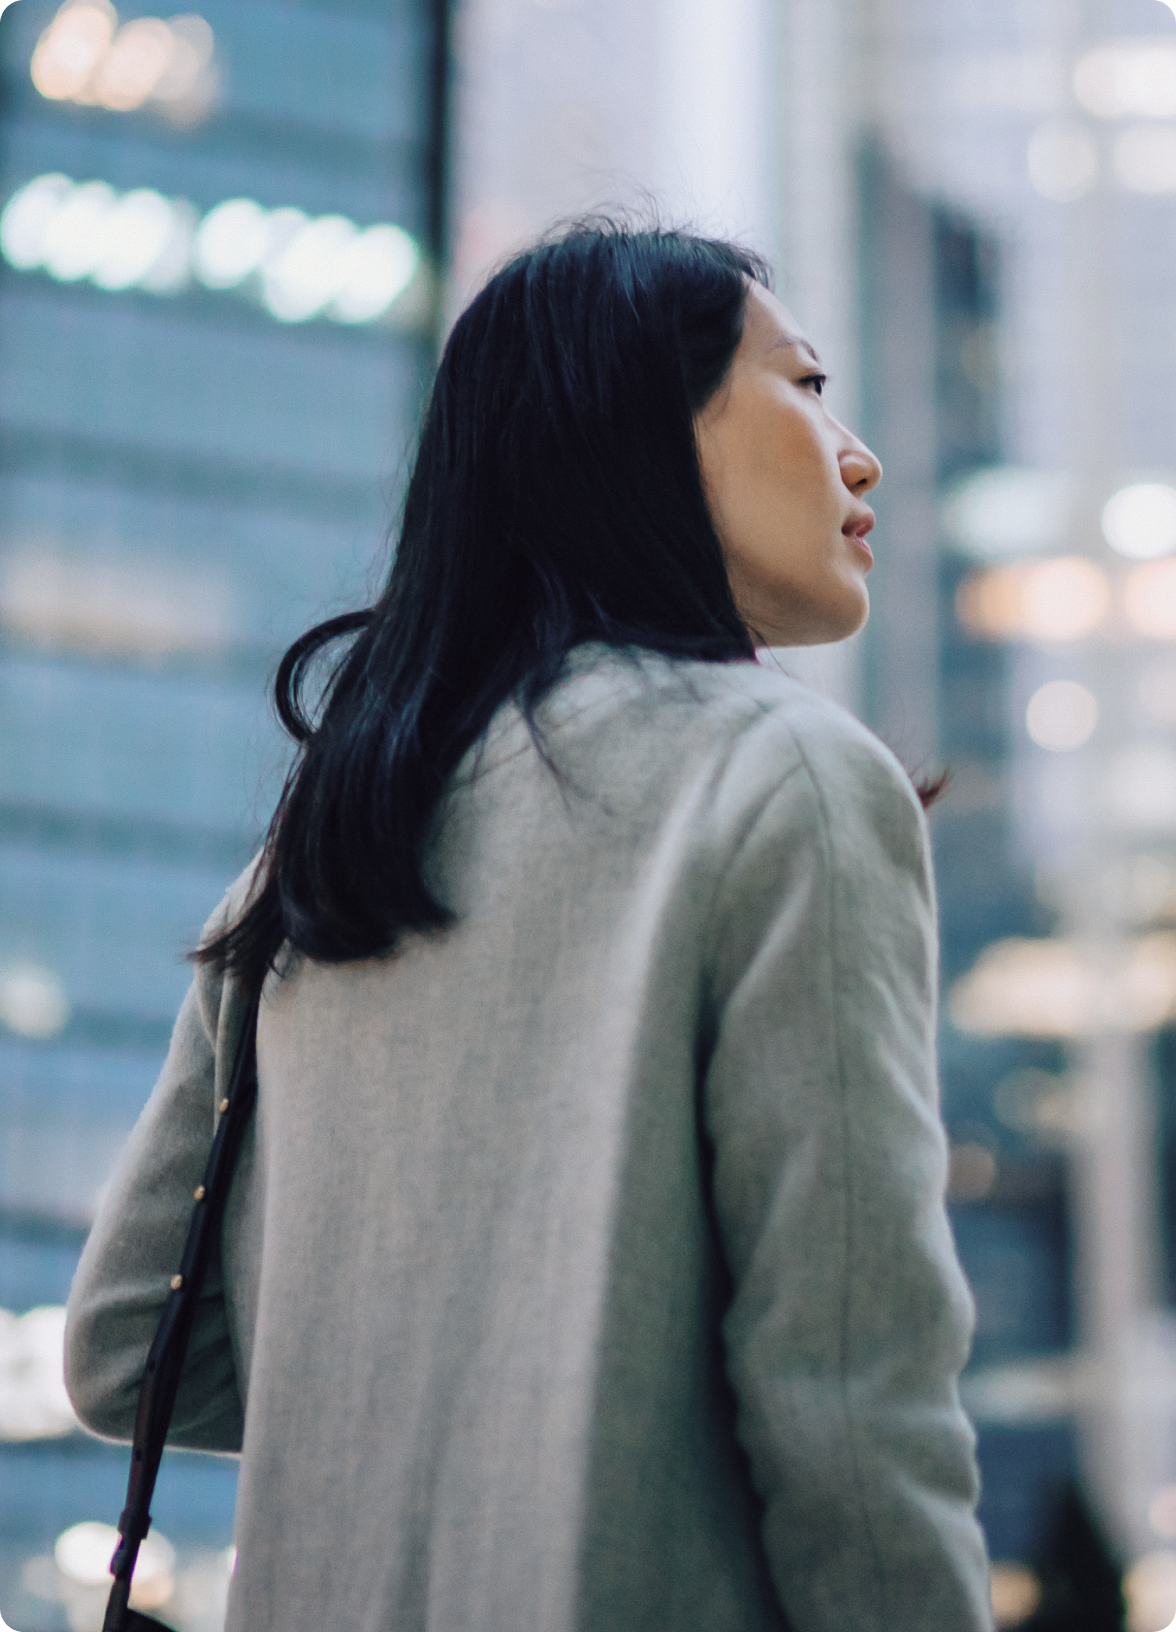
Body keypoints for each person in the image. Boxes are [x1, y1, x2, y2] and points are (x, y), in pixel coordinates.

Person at [64, 224, 995, 1632]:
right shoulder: (781, 774)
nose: (856, 455)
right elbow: (856, 1401)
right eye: (802, 383)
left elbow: (135, 1353)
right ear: (629, 426)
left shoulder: (328, 840)